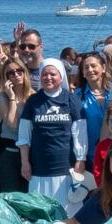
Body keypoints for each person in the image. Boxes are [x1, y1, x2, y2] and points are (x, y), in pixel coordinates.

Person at [16, 58, 88, 201]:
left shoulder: (72, 100)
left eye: (53, 74)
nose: (48, 78)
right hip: (39, 167)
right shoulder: (33, 101)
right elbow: (24, 135)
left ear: (61, 77)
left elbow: (80, 132)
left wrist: (80, 159)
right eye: (44, 74)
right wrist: (25, 162)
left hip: (65, 166)